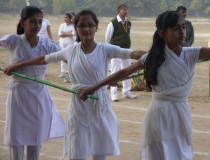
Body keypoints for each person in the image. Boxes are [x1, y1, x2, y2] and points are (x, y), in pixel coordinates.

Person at [77, 10, 210, 160]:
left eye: (183, 27)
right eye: (176, 28)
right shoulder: (152, 58)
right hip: (159, 116)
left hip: (181, 114)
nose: (182, 32)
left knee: (181, 154)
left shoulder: (191, 54)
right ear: (163, 33)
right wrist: (94, 87)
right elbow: (123, 72)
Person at [4, 9, 146, 160]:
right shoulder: (70, 51)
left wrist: (154, 55)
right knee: (77, 150)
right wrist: (17, 65)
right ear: (75, 28)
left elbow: (133, 54)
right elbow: (43, 59)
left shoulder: (106, 49)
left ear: (96, 27)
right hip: (78, 108)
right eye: (82, 25)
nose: (86, 29)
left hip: (100, 107)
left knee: (100, 150)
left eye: (90, 25)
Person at [0, 6, 65, 160]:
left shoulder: (47, 44)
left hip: (38, 95)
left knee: (35, 138)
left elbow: (68, 56)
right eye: (32, 22)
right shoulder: (13, 40)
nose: (37, 26)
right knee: (15, 138)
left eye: (40, 22)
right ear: (22, 23)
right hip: (18, 95)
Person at [105, 3, 137, 101]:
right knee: (115, 71)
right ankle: (114, 94)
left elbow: (128, 35)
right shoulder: (113, 22)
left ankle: (126, 91)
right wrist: (110, 50)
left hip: (126, 50)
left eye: (127, 9)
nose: (125, 11)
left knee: (127, 70)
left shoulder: (129, 23)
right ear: (119, 11)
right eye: (123, 9)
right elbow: (107, 38)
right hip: (115, 50)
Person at [57, 12, 76, 83]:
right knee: (62, 57)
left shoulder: (73, 25)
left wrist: (64, 33)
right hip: (62, 43)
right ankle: (63, 72)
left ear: (70, 18)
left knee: (69, 59)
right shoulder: (62, 25)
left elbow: (73, 33)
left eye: (66, 17)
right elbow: (59, 34)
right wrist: (68, 33)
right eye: (64, 17)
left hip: (70, 43)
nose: (65, 19)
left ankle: (71, 75)